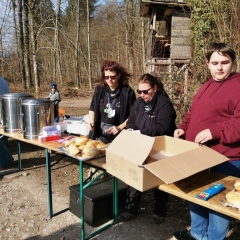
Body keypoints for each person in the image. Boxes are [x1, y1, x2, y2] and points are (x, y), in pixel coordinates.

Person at [173, 42, 240, 240]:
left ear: (233, 63)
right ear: (207, 64)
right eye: (215, 62)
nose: (220, 67)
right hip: (198, 154)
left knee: (218, 204)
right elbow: (194, 114)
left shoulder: (238, 85)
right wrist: (183, 128)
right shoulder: (205, 87)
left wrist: (215, 132)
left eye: (225, 62)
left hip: (226, 158)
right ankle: (197, 234)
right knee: (197, 195)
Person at [118, 73, 176, 224]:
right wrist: (131, 130)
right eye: (140, 91)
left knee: (159, 180)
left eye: (146, 91)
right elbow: (131, 121)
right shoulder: (138, 103)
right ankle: (131, 207)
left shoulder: (164, 103)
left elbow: (164, 126)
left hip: (160, 146)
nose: (142, 95)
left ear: (155, 88)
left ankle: (160, 210)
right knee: (134, 175)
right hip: (140, 144)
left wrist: (140, 133)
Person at [88, 60, 136, 143]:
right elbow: (92, 108)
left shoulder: (127, 93)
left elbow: (133, 115)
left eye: (113, 77)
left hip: (119, 136)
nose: (109, 79)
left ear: (118, 76)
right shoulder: (99, 90)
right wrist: (92, 122)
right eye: (107, 77)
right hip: (99, 135)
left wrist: (120, 127)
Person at [0, 76, 14, 168]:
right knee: (3, 138)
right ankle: (5, 160)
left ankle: (4, 161)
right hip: (4, 113)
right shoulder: (3, 81)